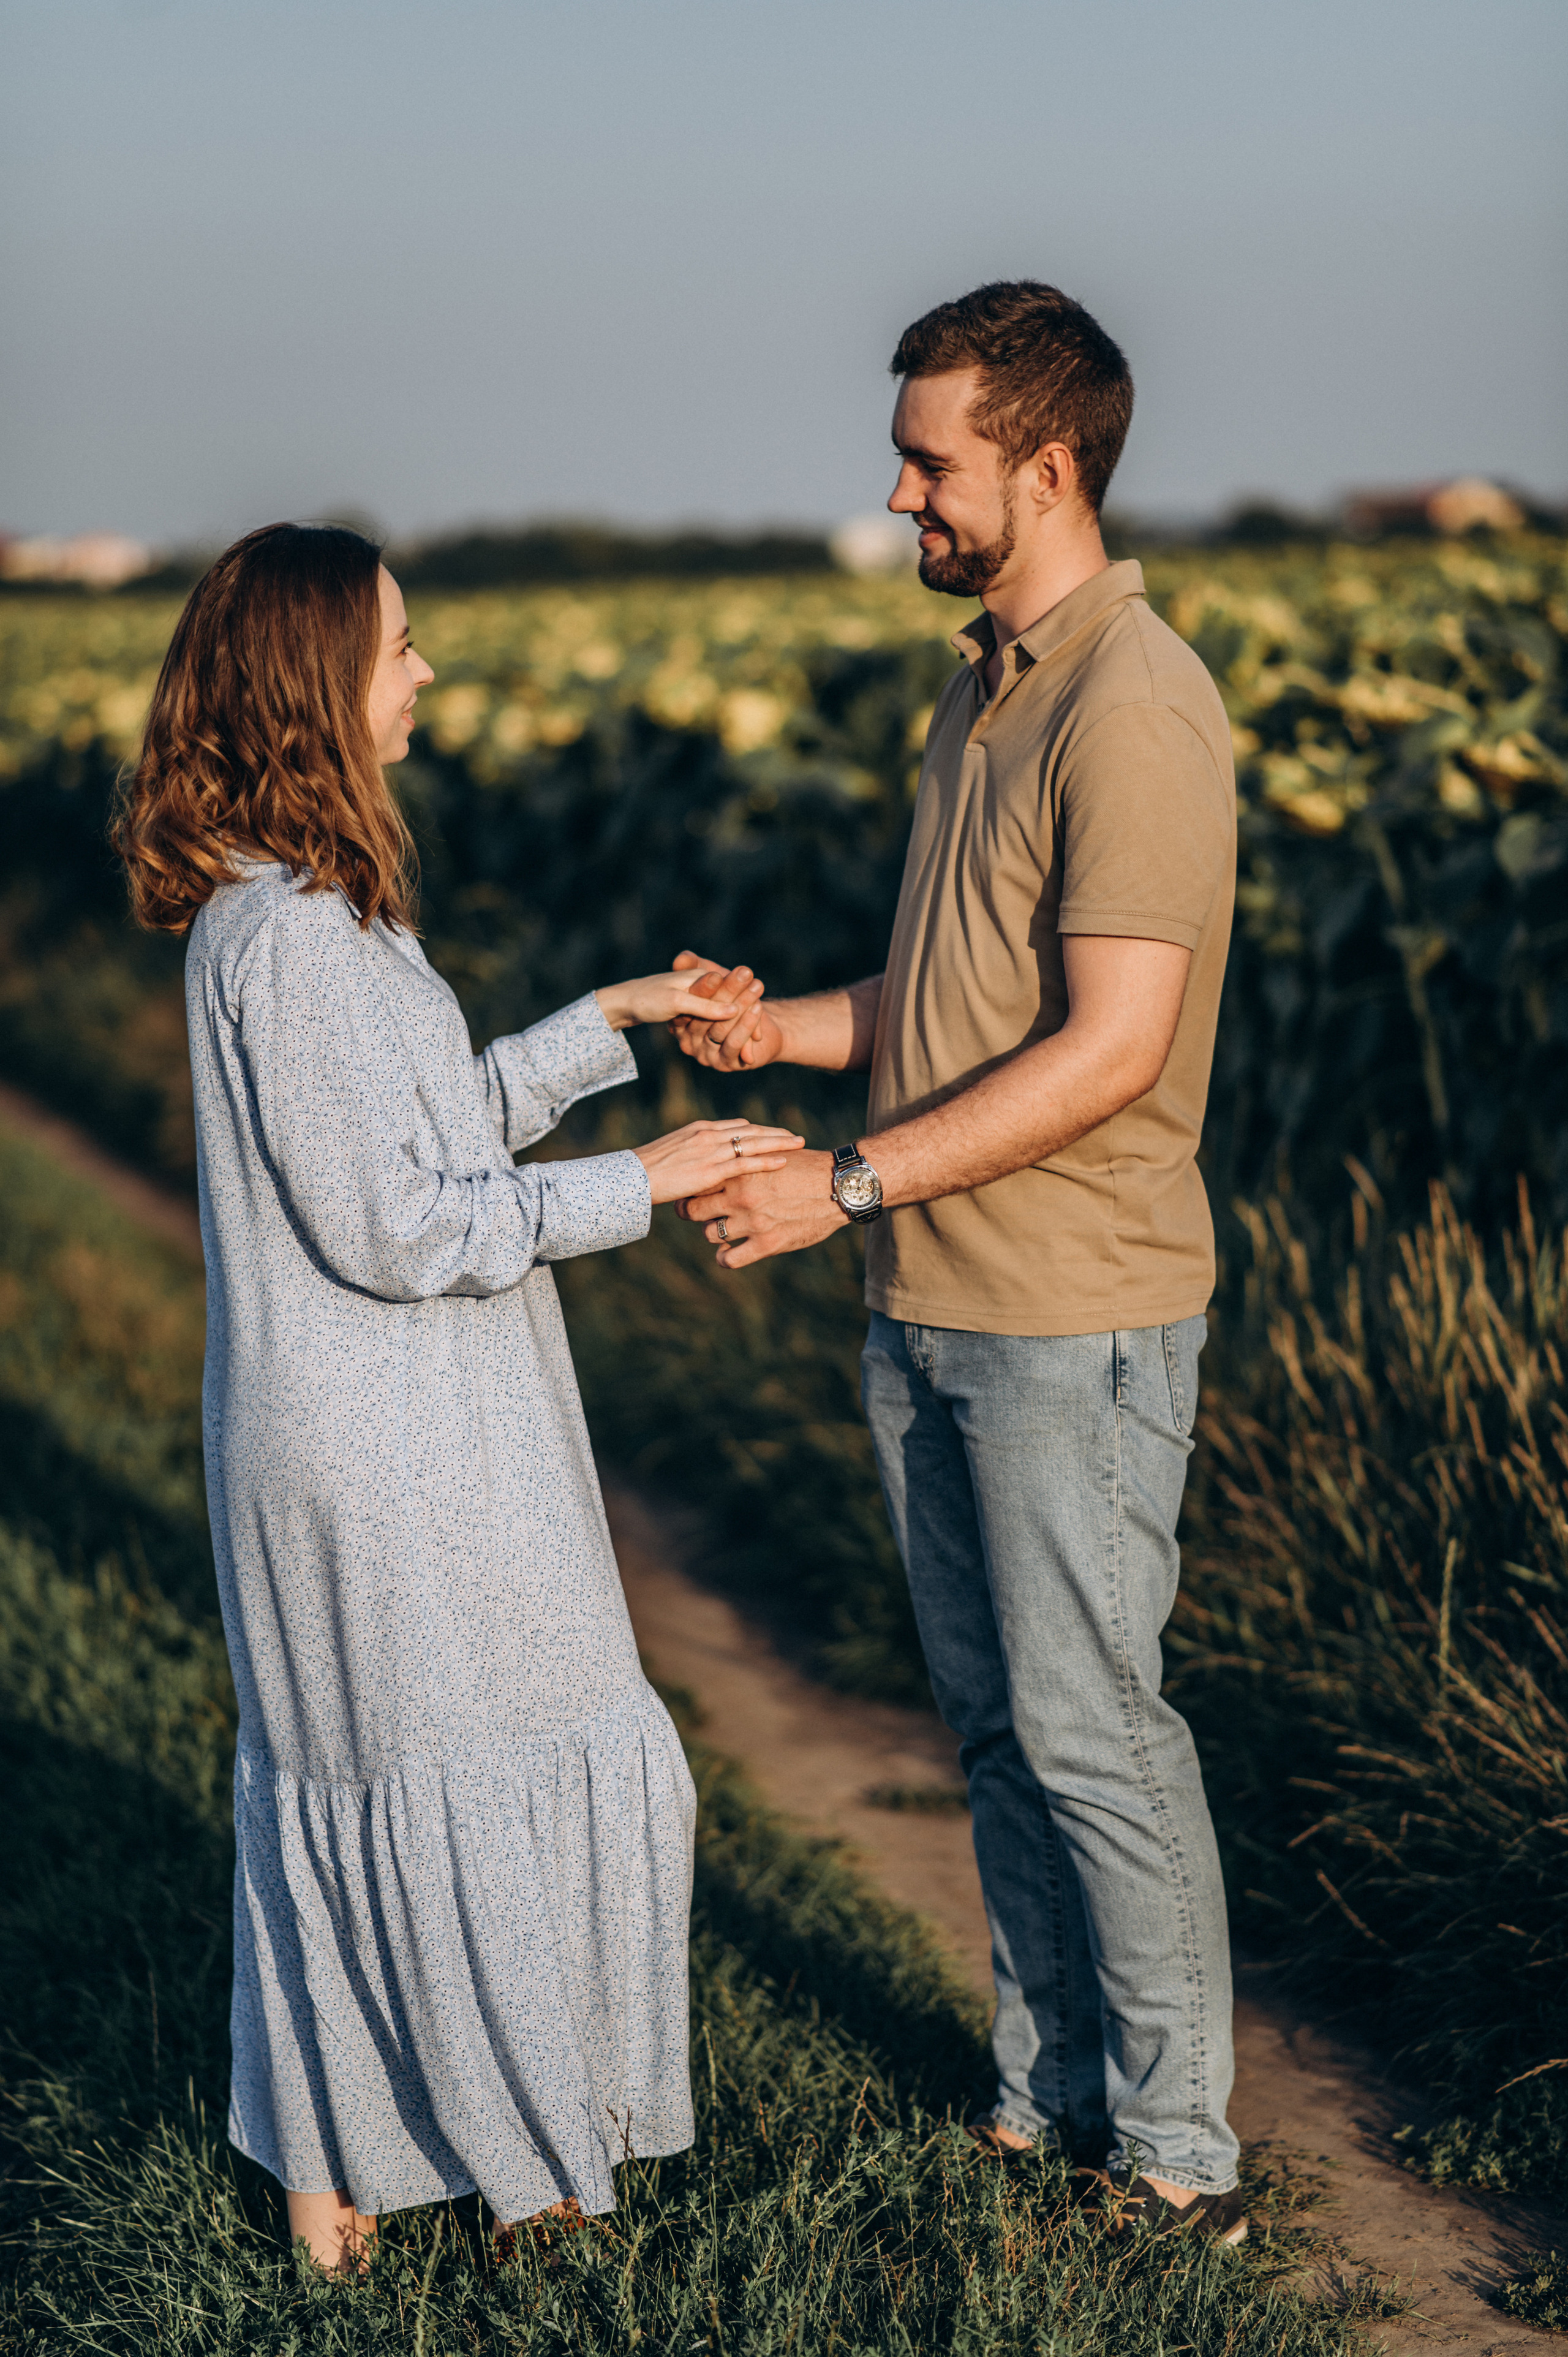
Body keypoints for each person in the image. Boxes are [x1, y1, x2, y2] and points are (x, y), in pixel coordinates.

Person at [112, 521, 803, 2273]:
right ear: (320, 681)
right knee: (470, 1762)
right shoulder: (301, 934)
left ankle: (333, 2206)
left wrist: (609, 1022)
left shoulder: (278, 912)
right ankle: (535, 2188)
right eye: (400, 647)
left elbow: (419, 1134)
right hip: (393, 1449)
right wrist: (643, 1183)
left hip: (361, 1434)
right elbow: (405, 1224)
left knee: (369, 1780)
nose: (423, 673)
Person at [669, 282, 1245, 2241]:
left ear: (1050, 467)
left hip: (1072, 1315)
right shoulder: (983, 681)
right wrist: (785, 1033)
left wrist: (841, 1185)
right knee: (1001, 1731)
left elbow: (1112, 1049)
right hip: (932, 1299)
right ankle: (1043, 2096)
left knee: (1098, 1734)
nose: (900, 488)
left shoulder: (1134, 699)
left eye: (933, 460)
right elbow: (953, 1000)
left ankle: (1178, 2164)